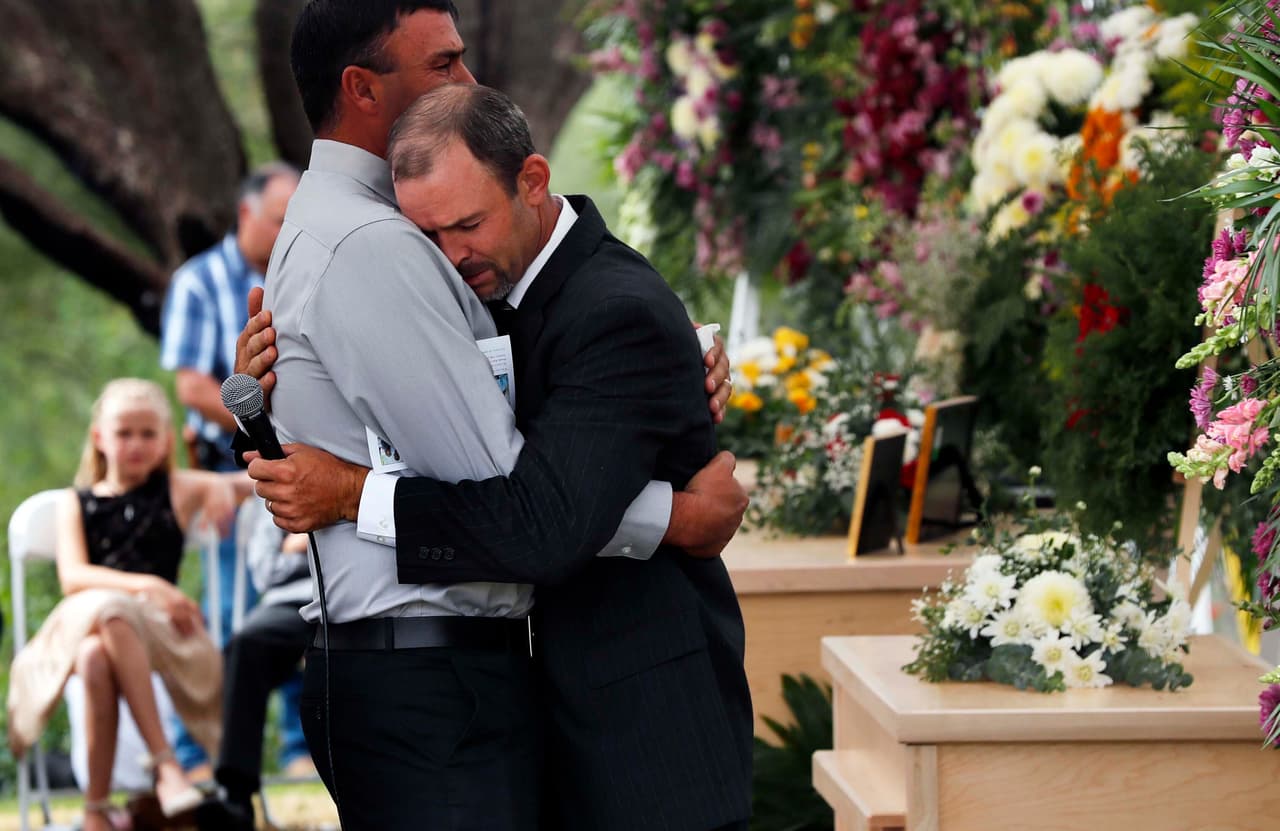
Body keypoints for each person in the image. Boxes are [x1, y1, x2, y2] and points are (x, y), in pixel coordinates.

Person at [222, 2, 742, 829]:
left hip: (452, 686)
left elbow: (524, 373)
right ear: (361, 86)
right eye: (443, 64)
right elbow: (522, 502)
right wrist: (673, 516)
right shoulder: (376, 244)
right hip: (431, 689)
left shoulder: (368, 226)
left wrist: (673, 364)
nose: (470, 80)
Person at [5, 379, 254, 831]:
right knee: (104, 623)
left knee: (101, 645)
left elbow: (253, 480)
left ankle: (95, 810)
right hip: (87, 621)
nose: (135, 444)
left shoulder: (178, 489)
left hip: (157, 635)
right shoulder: (73, 503)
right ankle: (165, 767)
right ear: (100, 437)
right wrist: (149, 587)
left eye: (147, 433)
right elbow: (73, 578)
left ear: (164, 441)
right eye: (124, 433)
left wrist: (220, 486)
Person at [159, 161, 310, 779]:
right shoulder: (199, 282)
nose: (288, 231)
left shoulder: (300, 277)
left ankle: (300, 749)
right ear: (247, 216)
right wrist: (263, 426)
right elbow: (194, 389)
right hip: (231, 473)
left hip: (299, 468)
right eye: (281, 220)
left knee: (300, 602)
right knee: (226, 614)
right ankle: (200, 755)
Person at [196, 500, 313, 831]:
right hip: (291, 602)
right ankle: (236, 797)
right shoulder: (275, 487)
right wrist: (311, 543)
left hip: (353, 600)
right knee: (245, 644)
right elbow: (265, 571)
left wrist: (295, 544)